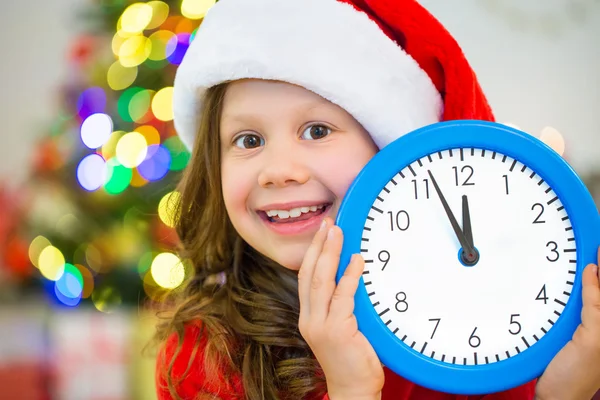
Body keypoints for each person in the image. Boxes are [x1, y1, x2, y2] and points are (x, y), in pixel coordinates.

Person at [153, 0, 600, 399]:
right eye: (248, 140)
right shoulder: (202, 357)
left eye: (317, 131)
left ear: (392, 155)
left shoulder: (509, 332)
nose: (278, 170)